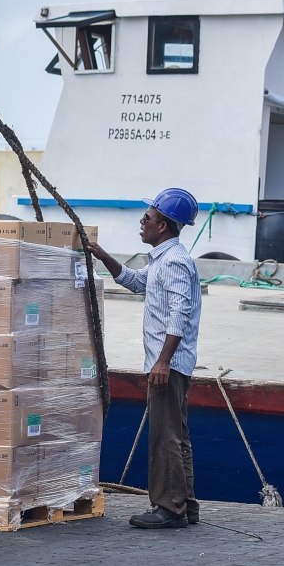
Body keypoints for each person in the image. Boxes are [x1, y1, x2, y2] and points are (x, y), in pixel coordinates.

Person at [86, 188, 202, 530]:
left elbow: (181, 312)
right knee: (177, 434)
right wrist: (101, 255)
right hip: (168, 362)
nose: (142, 222)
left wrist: (163, 362)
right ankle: (186, 504)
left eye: (148, 218)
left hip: (169, 365)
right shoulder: (163, 261)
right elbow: (136, 282)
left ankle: (169, 507)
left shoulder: (176, 261)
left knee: (164, 436)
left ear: (163, 226)